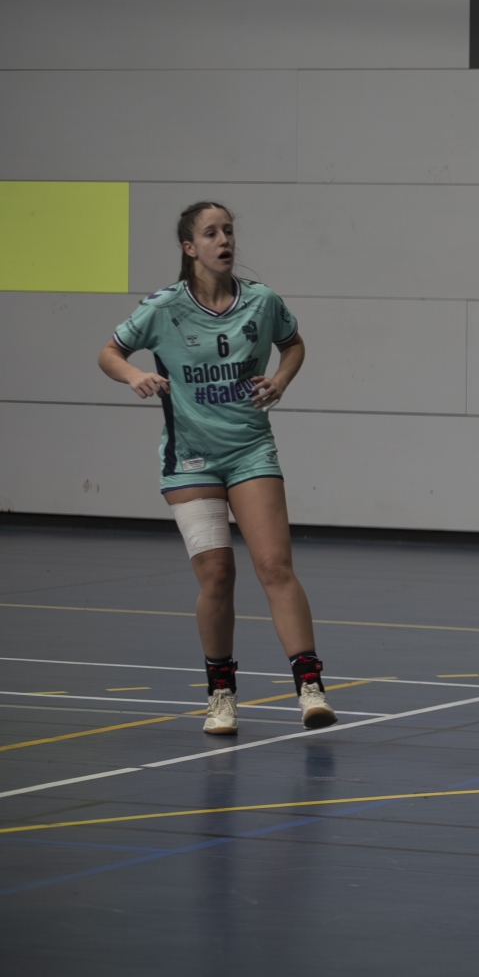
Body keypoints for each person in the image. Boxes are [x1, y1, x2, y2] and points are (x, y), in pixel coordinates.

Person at [97, 201, 335, 737]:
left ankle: (310, 688)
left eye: (228, 230)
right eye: (211, 233)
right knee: (217, 575)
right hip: (191, 460)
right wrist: (132, 374)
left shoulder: (262, 301)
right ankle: (221, 694)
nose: (224, 239)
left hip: (250, 450)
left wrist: (281, 380)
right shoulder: (163, 308)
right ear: (190, 248)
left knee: (274, 566)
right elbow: (109, 352)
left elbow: (293, 345)